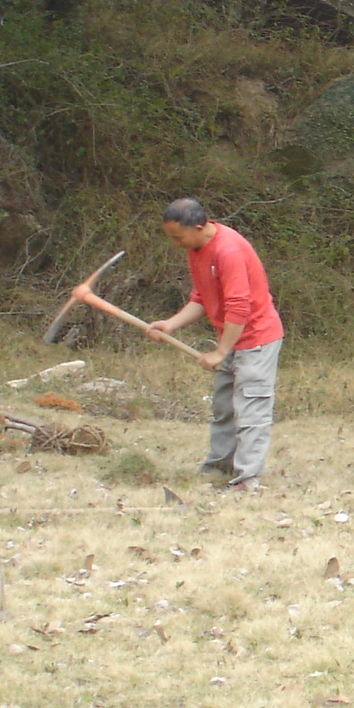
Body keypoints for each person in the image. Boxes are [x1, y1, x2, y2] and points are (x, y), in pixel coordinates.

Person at [147, 198, 285, 492]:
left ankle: (247, 478)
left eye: (178, 237)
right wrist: (171, 324)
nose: (175, 243)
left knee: (251, 409)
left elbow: (239, 305)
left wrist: (221, 351)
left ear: (198, 227)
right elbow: (201, 297)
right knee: (225, 407)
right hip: (231, 335)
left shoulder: (228, 250)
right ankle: (219, 466)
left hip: (256, 339)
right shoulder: (197, 250)